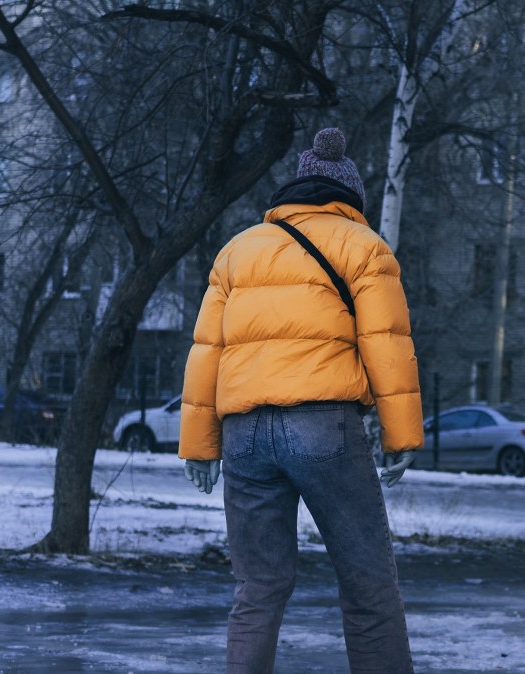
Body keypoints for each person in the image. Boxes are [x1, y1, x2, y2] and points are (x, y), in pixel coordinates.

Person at [179, 127, 422, 674]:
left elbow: (206, 352)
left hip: (244, 435)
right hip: (323, 425)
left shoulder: (236, 251)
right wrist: (402, 434)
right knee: (368, 586)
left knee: (258, 588)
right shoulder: (364, 246)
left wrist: (199, 446)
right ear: (349, 199)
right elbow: (387, 346)